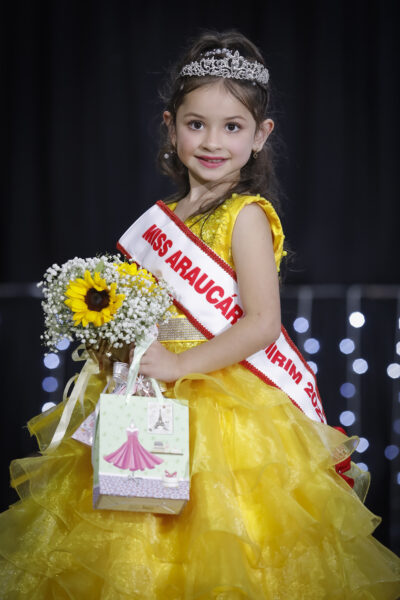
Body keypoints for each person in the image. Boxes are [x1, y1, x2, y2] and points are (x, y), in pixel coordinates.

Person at [0, 30, 399, 600]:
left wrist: (175, 364)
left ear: (261, 136)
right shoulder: (161, 218)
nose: (213, 141)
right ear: (170, 126)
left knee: (222, 546)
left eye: (232, 126)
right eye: (196, 124)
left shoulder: (247, 217)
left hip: (225, 405)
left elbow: (261, 324)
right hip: (149, 391)